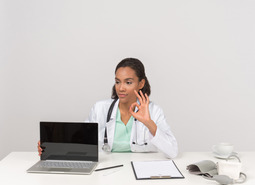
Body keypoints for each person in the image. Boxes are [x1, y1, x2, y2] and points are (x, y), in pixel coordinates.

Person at [38, 58, 178, 158]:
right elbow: (81, 142)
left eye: (128, 82)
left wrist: (148, 122)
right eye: (117, 82)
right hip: (108, 169)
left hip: (142, 168)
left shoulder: (154, 111)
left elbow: (172, 151)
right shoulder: (100, 108)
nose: (121, 88)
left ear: (141, 83)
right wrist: (50, 146)